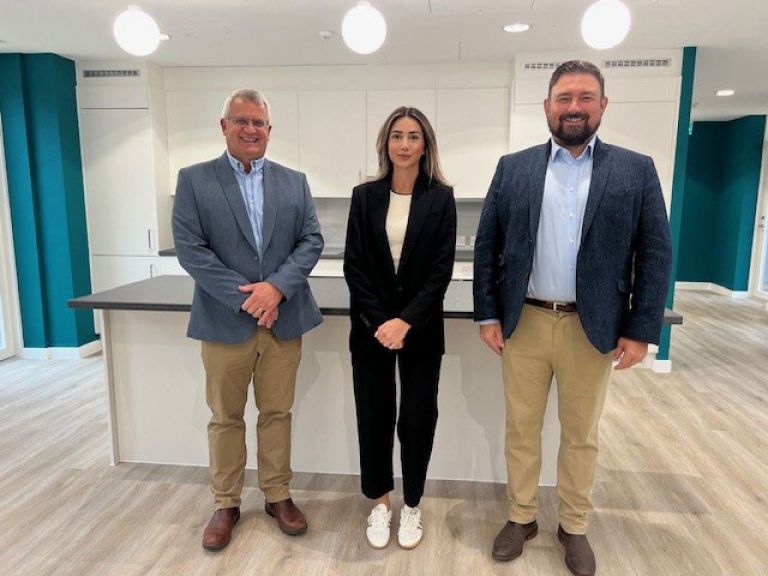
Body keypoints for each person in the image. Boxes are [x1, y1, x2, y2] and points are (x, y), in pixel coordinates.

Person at [473, 61, 672, 576]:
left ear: (603, 105)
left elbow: (654, 254)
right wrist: (488, 314)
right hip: (527, 323)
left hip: (595, 327)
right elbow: (488, 247)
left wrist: (640, 329)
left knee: (581, 433)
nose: (574, 107)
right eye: (564, 97)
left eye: (585, 97)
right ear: (547, 106)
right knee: (522, 428)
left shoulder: (635, 170)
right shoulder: (513, 168)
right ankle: (521, 517)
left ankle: (574, 525)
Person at [172, 88, 323, 551]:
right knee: (226, 417)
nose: (250, 129)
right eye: (241, 121)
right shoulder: (195, 180)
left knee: (277, 413)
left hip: (284, 320)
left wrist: (276, 288)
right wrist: (249, 300)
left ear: (269, 130)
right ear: (224, 126)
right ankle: (226, 502)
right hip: (224, 321)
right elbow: (191, 250)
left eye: (258, 122)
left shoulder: (293, 181)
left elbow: (310, 241)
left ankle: (278, 495)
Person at [343, 107, 456, 550]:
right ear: (385, 144)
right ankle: (380, 504)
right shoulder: (364, 195)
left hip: (421, 330)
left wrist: (405, 321)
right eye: (396, 136)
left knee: (416, 419)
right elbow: (355, 267)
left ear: (425, 144)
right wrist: (381, 322)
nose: (404, 144)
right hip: (371, 330)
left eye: (413, 136)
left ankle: (411, 505)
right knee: (373, 415)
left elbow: (440, 271)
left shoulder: (441, 198)